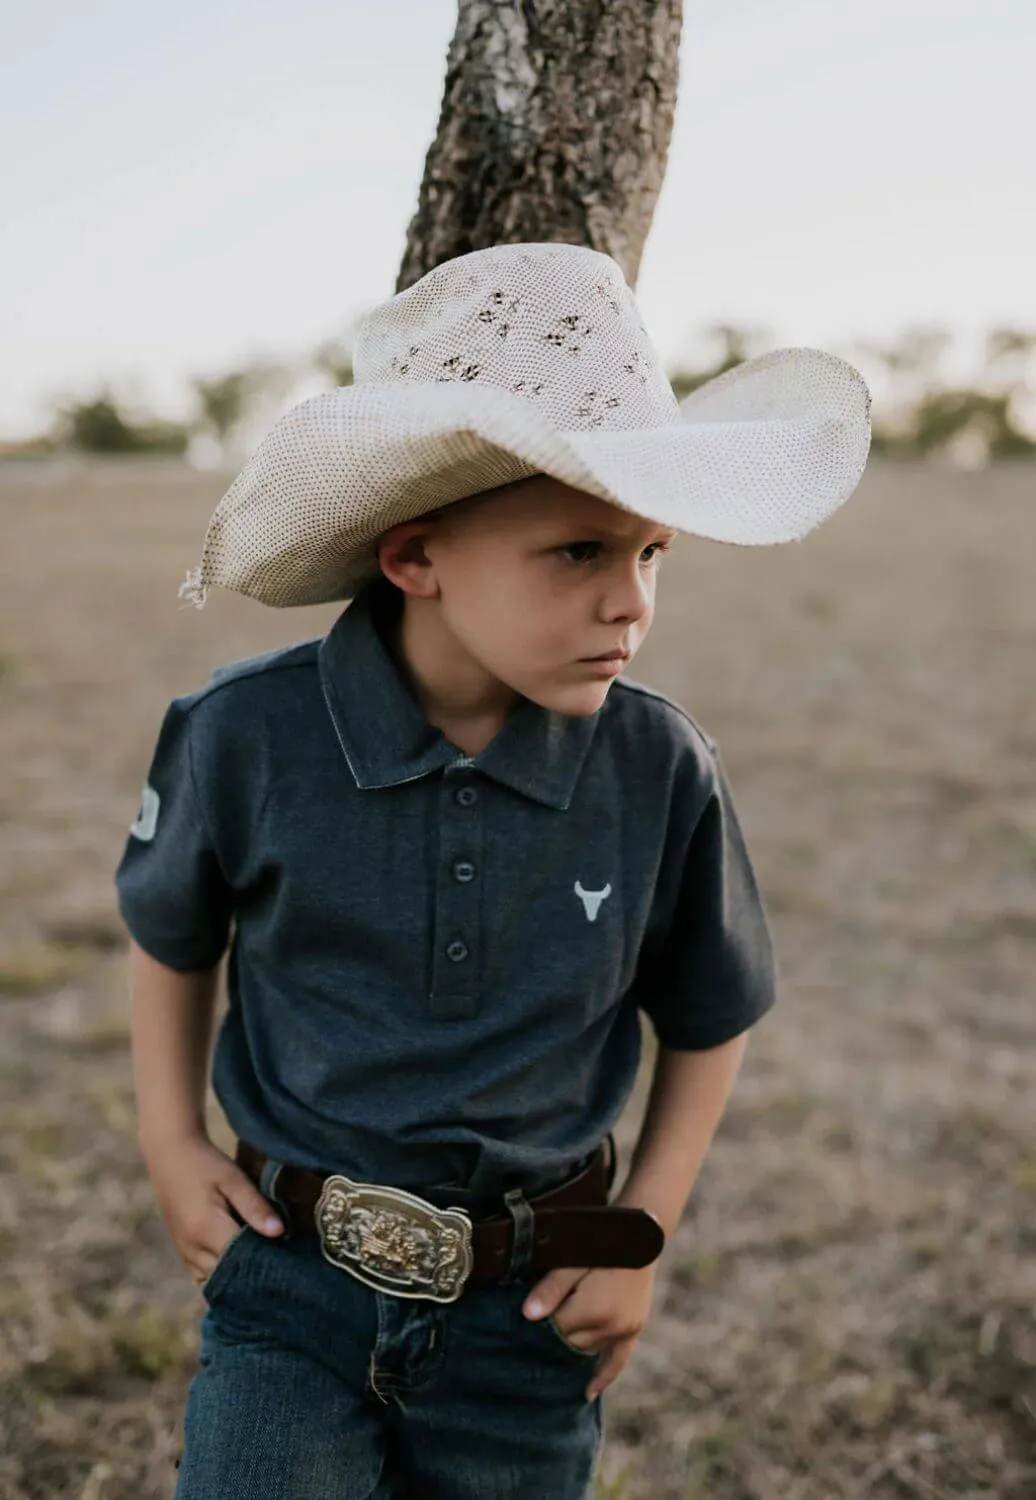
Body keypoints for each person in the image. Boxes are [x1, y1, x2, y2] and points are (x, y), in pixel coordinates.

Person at [115, 241, 870, 1500]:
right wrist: (165, 1135)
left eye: (651, 555)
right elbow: (171, 933)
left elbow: (708, 1016)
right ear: (414, 560)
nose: (630, 602)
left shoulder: (658, 766)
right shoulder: (244, 734)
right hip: (288, 1282)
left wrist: (645, 1236)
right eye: (579, 553)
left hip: (533, 1305)